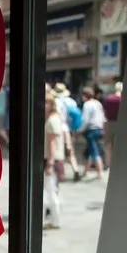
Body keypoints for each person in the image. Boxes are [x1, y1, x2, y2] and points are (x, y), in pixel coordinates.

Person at [52, 83, 82, 182]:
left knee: (58, 150)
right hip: (68, 128)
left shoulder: (55, 102)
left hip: (58, 127)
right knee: (70, 150)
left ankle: (61, 173)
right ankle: (76, 169)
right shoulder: (71, 101)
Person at [43, 94, 65, 230]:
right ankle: (54, 219)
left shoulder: (52, 120)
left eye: (46, 103)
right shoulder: (56, 118)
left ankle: (55, 220)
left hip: (53, 159)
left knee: (51, 190)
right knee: (53, 190)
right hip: (56, 158)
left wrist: (50, 163)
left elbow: (52, 143)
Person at [77, 87, 105, 180]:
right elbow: (102, 116)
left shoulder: (87, 105)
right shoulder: (98, 103)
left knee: (94, 151)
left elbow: (85, 120)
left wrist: (79, 130)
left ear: (85, 96)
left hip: (91, 130)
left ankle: (100, 171)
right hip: (99, 128)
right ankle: (86, 170)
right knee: (88, 151)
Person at [102, 81, 122, 166]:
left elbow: (104, 111)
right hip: (122, 124)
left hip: (110, 123)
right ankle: (119, 162)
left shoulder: (109, 98)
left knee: (108, 145)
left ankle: (108, 163)